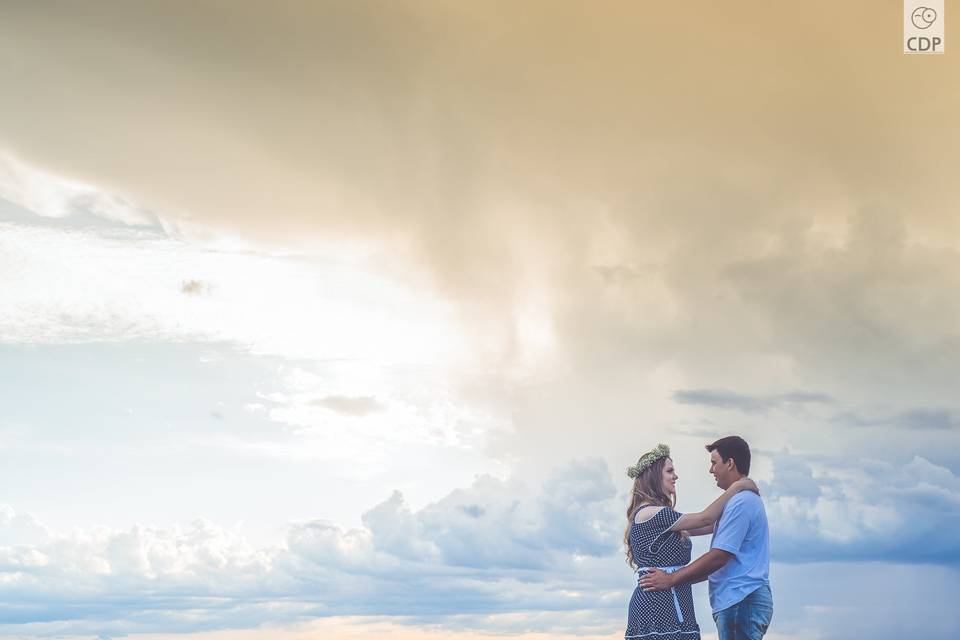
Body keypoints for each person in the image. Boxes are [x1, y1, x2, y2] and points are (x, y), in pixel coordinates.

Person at [640, 436, 773, 640]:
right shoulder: (736, 502)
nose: (711, 470)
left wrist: (671, 579)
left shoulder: (741, 502)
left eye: (714, 463)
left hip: (741, 598)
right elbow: (703, 528)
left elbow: (718, 556)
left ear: (730, 463)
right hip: (738, 599)